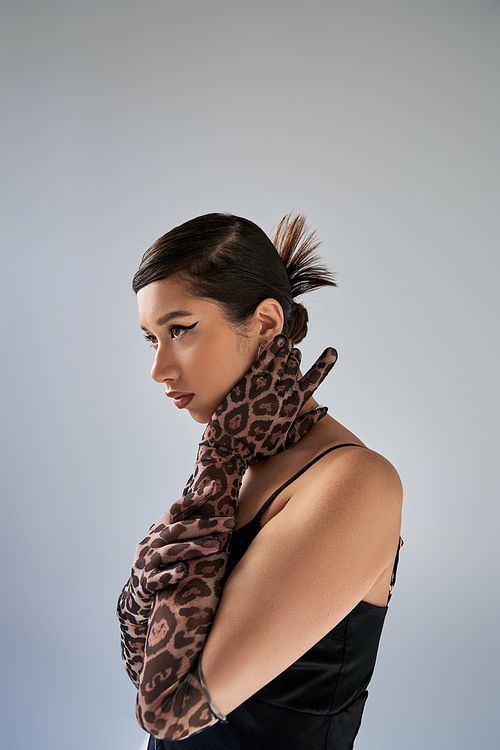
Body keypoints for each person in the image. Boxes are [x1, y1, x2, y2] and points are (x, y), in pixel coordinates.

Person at [117, 213, 403, 749]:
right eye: (150, 338)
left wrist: (221, 455)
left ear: (268, 323)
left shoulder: (357, 483)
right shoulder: (238, 466)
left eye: (179, 330)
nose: (158, 368)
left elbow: (169, 712)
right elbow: (145, 671)